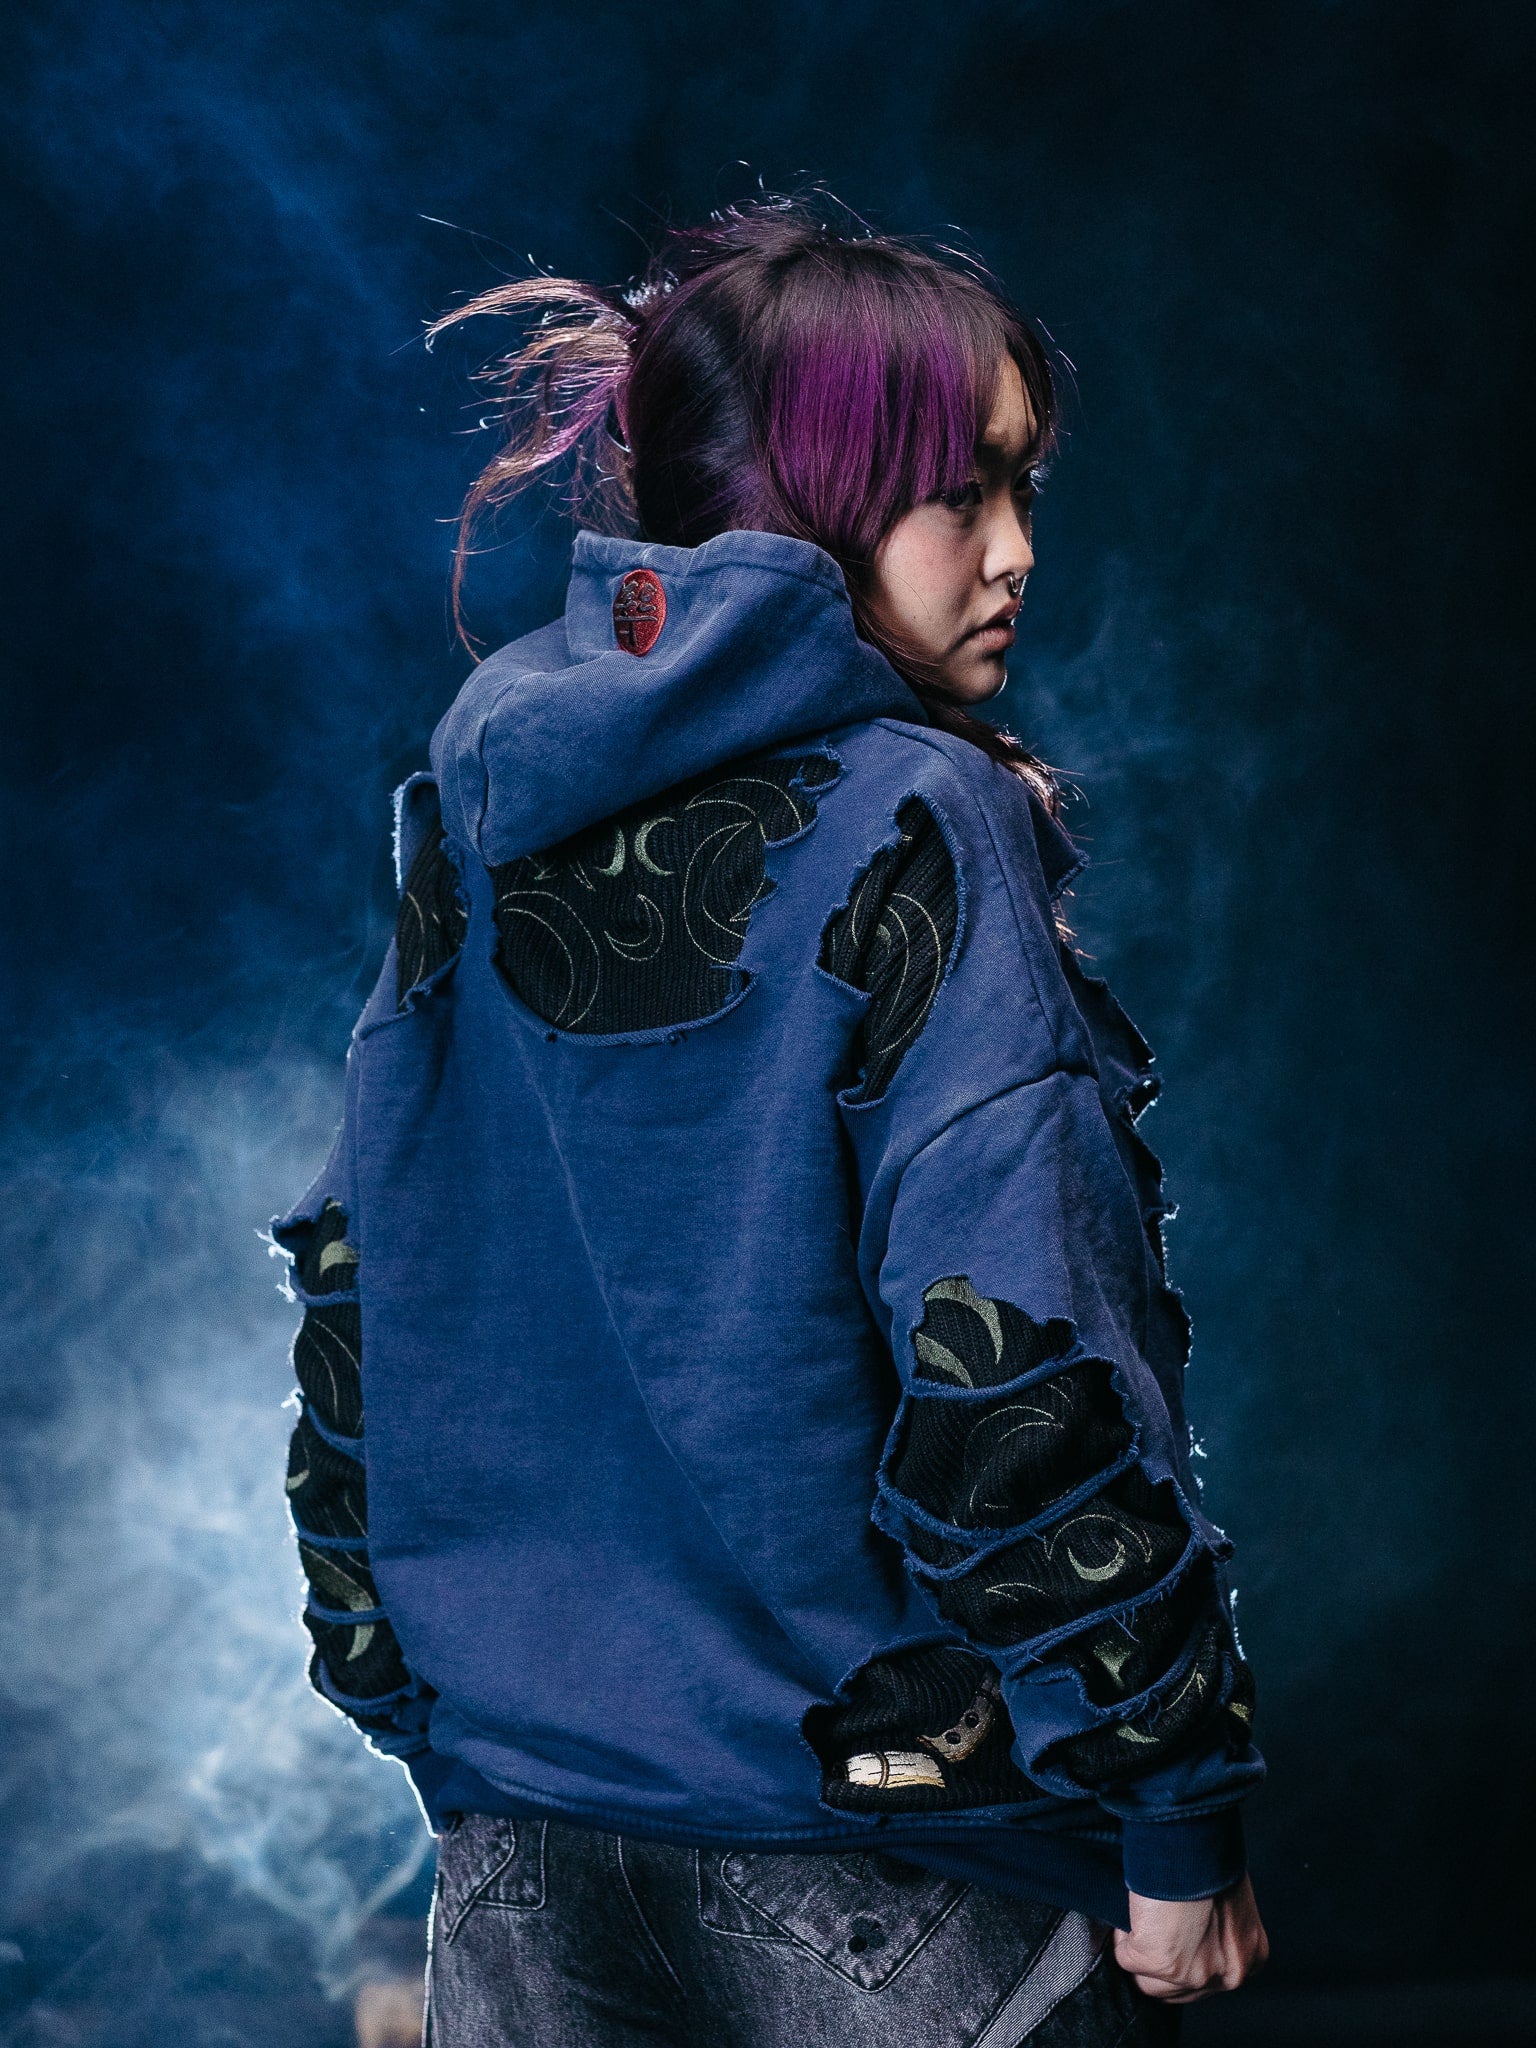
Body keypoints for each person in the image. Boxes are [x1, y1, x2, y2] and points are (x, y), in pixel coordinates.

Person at [273, 197, 1269, 2047]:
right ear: (809, 501)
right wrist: (1170, 1803)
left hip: (520, 1863)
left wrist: (440, 1724)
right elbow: (1014, 1351)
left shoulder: (475, 812)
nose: (1017, 550)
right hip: (885, 1874)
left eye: (1024, 487)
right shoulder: (916, 817)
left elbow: (359, 1312)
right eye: (960, 492)